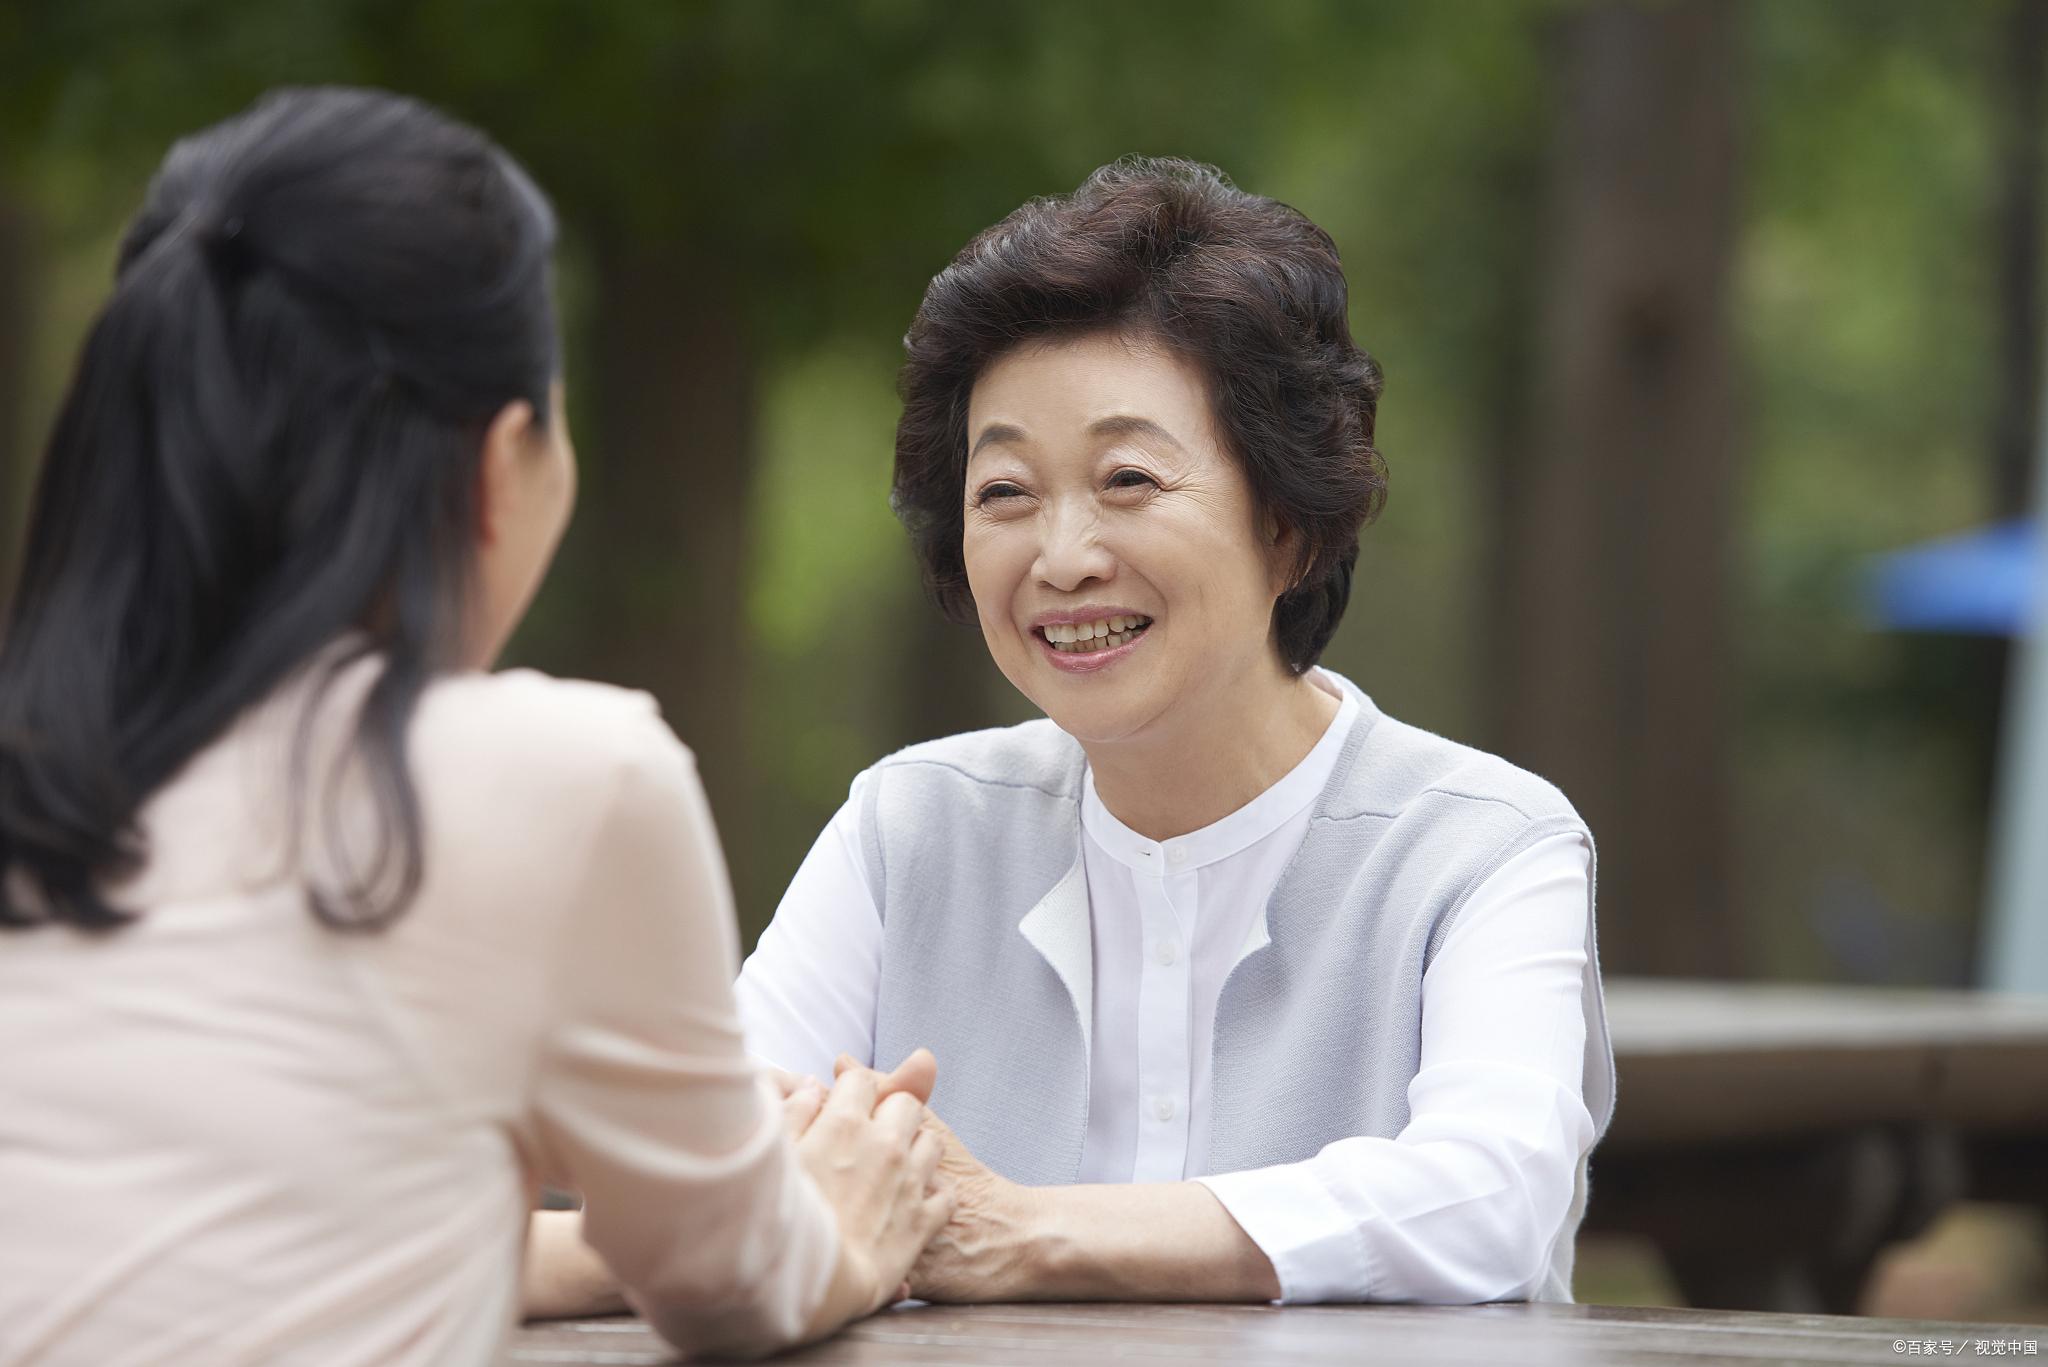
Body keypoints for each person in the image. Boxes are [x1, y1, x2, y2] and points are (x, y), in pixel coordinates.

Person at [0, 87, 948, 1367]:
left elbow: (232, 1237)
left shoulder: (52, 775)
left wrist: (614, 1224)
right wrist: (842, 1211)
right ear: (500, 462)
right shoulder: (561, 777)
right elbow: (734, 1281)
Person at [732, 158, 1618, 1306]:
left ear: (1287, 526)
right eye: (1004, 492)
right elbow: (723, 1161)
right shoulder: (909, 826)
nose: (1061, 557)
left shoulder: (1480, 845)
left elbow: (1488, 1196)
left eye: (1128, 479)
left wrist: (1018, 1230)